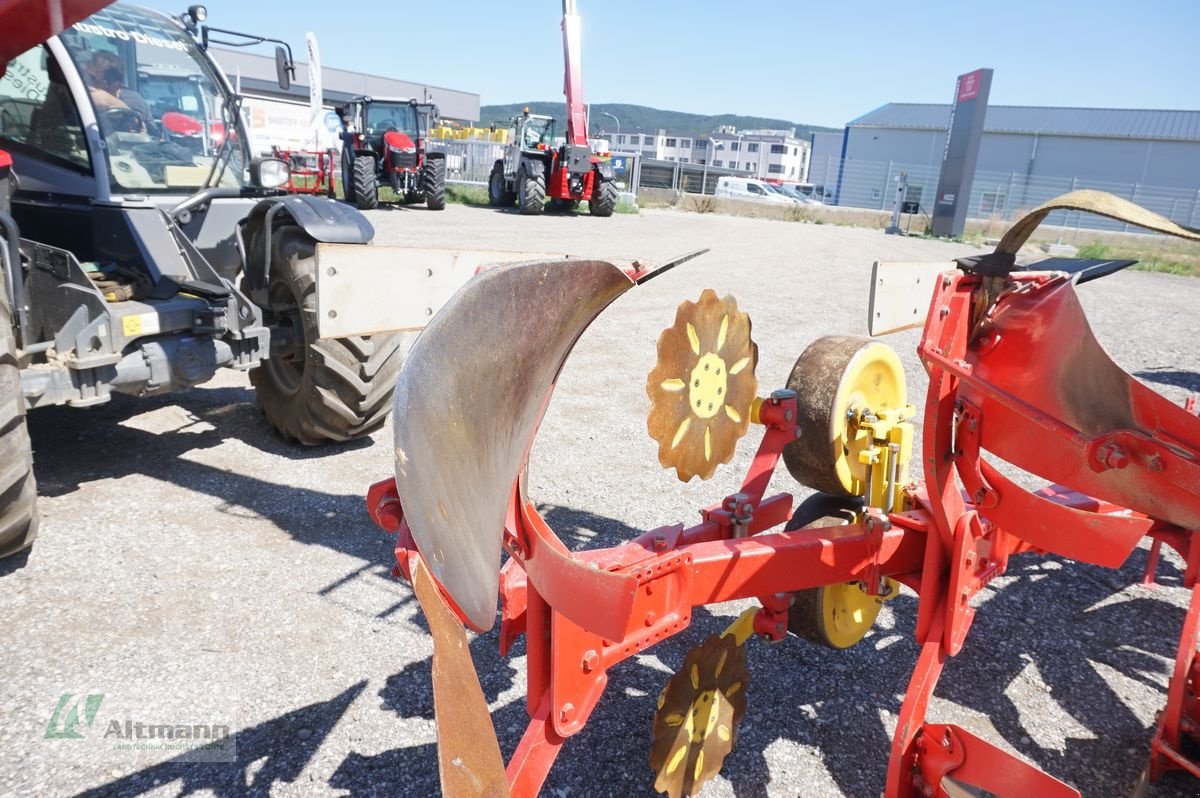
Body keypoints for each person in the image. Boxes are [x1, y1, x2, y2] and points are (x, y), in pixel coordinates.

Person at [83, 51, 148, 132]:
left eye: (93, 79)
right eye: (85, 77)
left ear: (115, 86)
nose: (87, 83)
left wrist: (110, 102)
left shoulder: (133, 101)